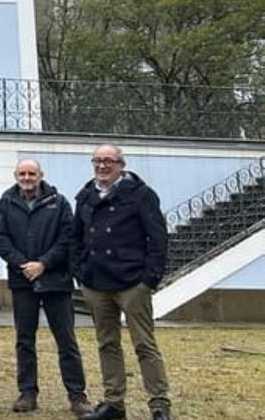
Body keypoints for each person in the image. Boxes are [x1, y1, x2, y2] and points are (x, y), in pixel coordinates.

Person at [73, 145, 171, 420]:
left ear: (121, 165)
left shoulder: (140, 195)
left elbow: (158, 238)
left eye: (109, 161)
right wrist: (79, 271)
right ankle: (114, 404)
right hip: (96, 283)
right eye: (98, 161)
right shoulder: (85, 196)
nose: (102, 166)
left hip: (132, 283)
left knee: (145, 345)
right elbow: (76, 237)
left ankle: (159, 405)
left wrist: (149, 279)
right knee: (107, 344)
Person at [0, 159, 91, 416]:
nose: (27, 178)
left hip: (56, 281)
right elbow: (2, 242)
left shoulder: (59, 203)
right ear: (16, 176)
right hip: (22, 280)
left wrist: (43, 264)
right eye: (22, 173)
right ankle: (27, 393)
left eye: (31, 173)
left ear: (41, 175)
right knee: (24, 340)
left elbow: (67, 239)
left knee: (66, 340)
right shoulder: (4, 204)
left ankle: (77, 395)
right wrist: (23, 265)